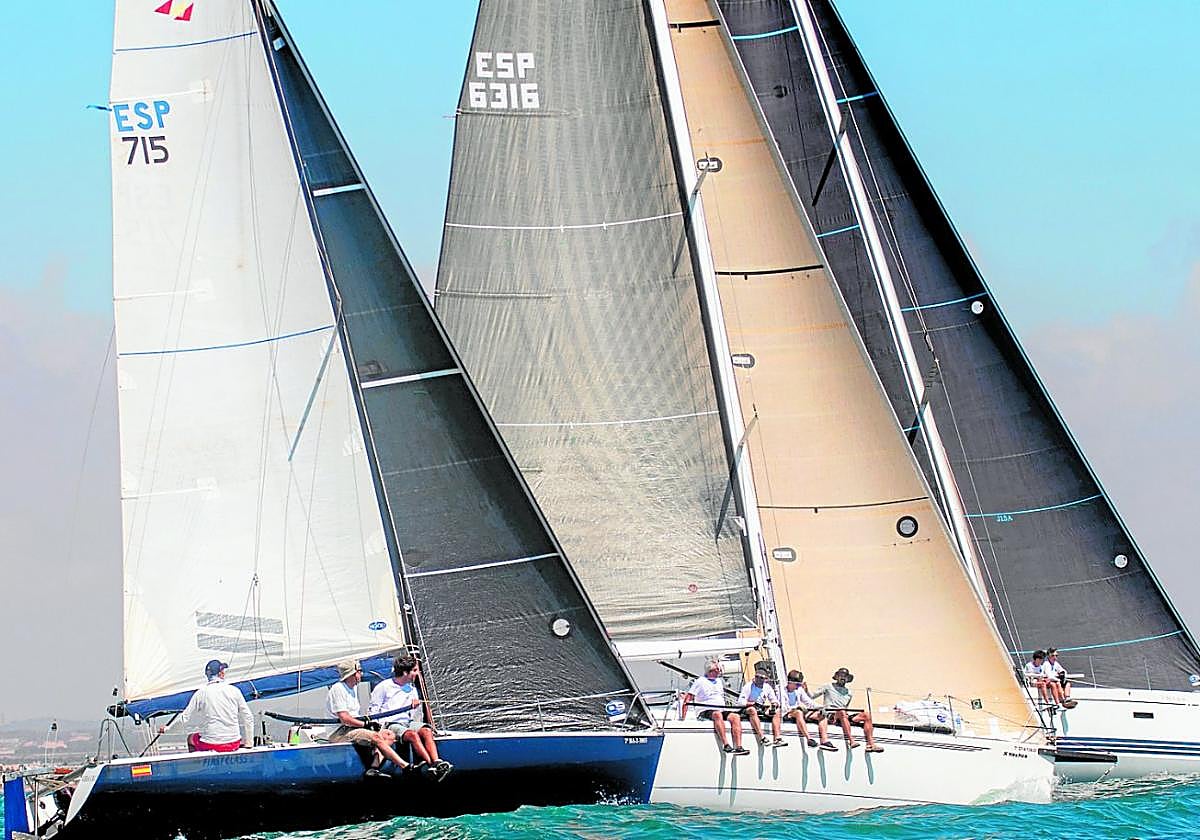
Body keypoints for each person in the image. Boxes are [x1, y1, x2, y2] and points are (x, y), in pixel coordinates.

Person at [368, 654, 453, 780]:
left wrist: (415, 706)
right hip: (391, 723)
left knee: (426, 731)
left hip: (407, 721)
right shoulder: (384, 687)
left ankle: (436, 762)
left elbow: (413, 715)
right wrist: (377, 728)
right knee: (412, 735)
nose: (417, 673)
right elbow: (374, 709)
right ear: (404, 672)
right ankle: (431, 766)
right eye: (414, 671)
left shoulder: (411, 689)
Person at [326, 659, 409, 776]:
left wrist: (368, 723)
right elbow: (345, 718)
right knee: (375, 736)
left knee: (389, 735)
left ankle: (373, 768)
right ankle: (405, 767)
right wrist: (366, 725)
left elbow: (354, 716)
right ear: (353, 673)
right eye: (359, 671)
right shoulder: (338, 689)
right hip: (339, 732)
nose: (362, 674)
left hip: (353, 728)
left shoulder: (353, 689)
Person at [158, 659, 253, 752]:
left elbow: (184, 718)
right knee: (237, 739)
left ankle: (198, 766)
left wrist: (167, 729)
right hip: (233, 743)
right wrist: (249, 743)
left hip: (210, 744)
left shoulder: (200, 693)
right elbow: (248, 717)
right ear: (221, 674)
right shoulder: (234, 690)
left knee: (190, 738)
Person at [681, 659, 749, 756]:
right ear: (711, 671)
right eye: (718, 669)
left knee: (735, 716)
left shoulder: (719, 681)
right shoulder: (700, 682)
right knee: (717, 714)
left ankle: (738, 746)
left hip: (720, 709)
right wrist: (683, 718)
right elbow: (687, 699)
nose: (720, 671)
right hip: (705, 710)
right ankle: (726, 744)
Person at [809, 667, 883, 753]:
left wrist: (846, 714)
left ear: (847, 679)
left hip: (843, 715)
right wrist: (805, 690)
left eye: (845, 676)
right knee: (842, 712)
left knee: (866, 715)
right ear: (836, 677)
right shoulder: (828, 686)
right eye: (841, 675)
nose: (843, 677)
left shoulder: (849, 693)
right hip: (831, 714)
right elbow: (811, 696)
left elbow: (846, 707)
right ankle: (851, 741)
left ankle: (870, 744)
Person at [782, 669, 835, 751]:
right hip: (787, 713)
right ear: (790, 682)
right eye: (798, 684)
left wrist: (822, 708)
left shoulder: (799, 690)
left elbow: (810, 703)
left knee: (821, 715)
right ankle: (809, 739)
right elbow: (783, 707)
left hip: (800, 711)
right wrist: (796, 708)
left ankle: (824, 741)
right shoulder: (782, 690)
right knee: (799, 712)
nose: (799, 686)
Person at [737, 662, 786, 748]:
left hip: (760, 707)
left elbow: (774, 700)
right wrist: (750, 703)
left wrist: (774, 705)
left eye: (761, 678)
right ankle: (762, 737)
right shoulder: (748, 686)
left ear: (765, 679)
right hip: (748, 708)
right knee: (752, 710)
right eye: (757, 677)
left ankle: (777, 738)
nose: (758, 679)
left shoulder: (767, 687)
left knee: (777, 711)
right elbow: (740, 702)